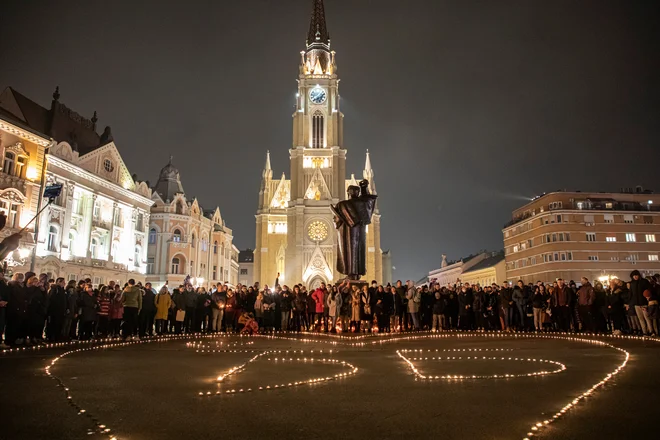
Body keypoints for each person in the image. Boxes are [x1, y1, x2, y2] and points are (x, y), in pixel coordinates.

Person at [629, 270, 651, 335]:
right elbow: (631, 294)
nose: (635, 277)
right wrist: (630, 303)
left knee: (647, 318)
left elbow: (648, 291)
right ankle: (644, 331)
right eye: (634, 276)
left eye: (636, 275)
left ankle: (650, 330)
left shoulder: (644, 282)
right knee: (640, 318)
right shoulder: (632, 284)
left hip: (644, 302)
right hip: (636, 303)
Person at [46, 278, 67, 342]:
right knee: (54, 324)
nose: (64, 283)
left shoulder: (62, 290)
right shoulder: (55, 289)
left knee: (59, 324)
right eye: (63, 282)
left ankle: (57, 336)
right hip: (55, 310)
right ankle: (51, 337)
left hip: (61, 310)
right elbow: (52, 299)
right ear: (59, 282)